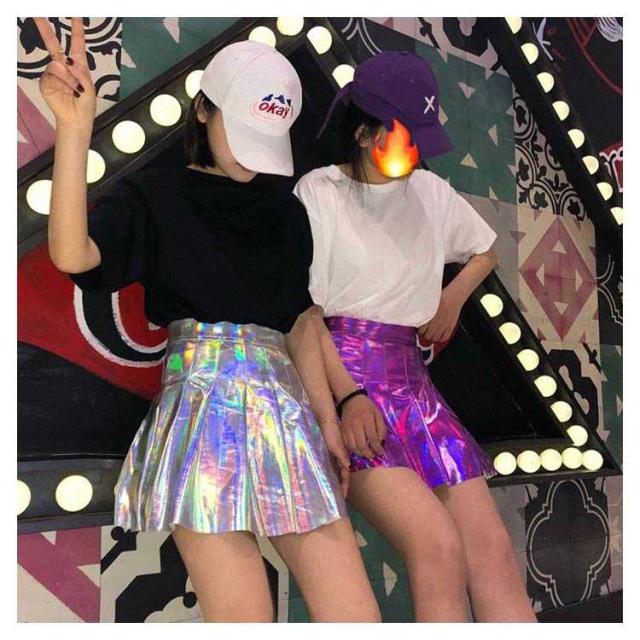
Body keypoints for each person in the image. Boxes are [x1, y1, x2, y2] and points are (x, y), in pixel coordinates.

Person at [35, 17, 380, 623]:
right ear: (202, 110)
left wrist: (327, 420)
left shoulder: (286, 213)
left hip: (287, 414)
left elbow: (299, 320)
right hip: (201, 415)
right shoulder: (157, 196)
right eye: (241, 131)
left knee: (356, 619)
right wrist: (74, 131)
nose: (251, 158)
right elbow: (73, 254)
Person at [294, 50, 537, 623]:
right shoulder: (319, 192)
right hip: (343, 376)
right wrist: (345, 399)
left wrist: (451, 298)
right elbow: (302, 314)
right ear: (363, 133)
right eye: (407, 137)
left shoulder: (429, 190)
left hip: (413, 383)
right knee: (436, 545)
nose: (418, 153)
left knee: (492, 550)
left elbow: (485, 250)